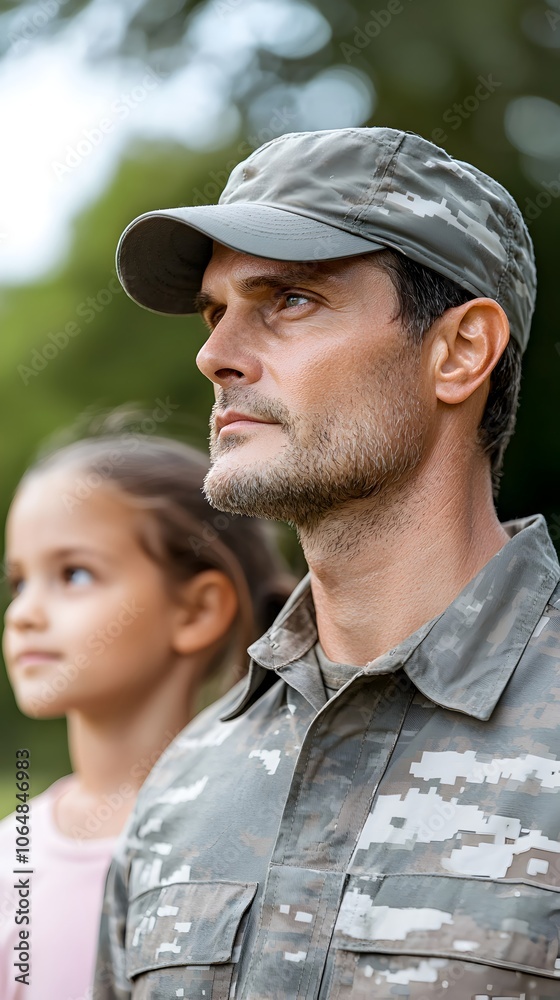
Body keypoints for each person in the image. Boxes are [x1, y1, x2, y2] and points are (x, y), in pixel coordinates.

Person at [95, 127, 560, 999]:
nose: (215, 353)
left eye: (290, 300)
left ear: (459, 352)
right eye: (215, 310)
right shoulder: (186, 781)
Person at [0, 428, 293, 1000]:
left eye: (74, 574)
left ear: (196, 609)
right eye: (18, 582)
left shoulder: (266, 845)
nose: (25, 613)